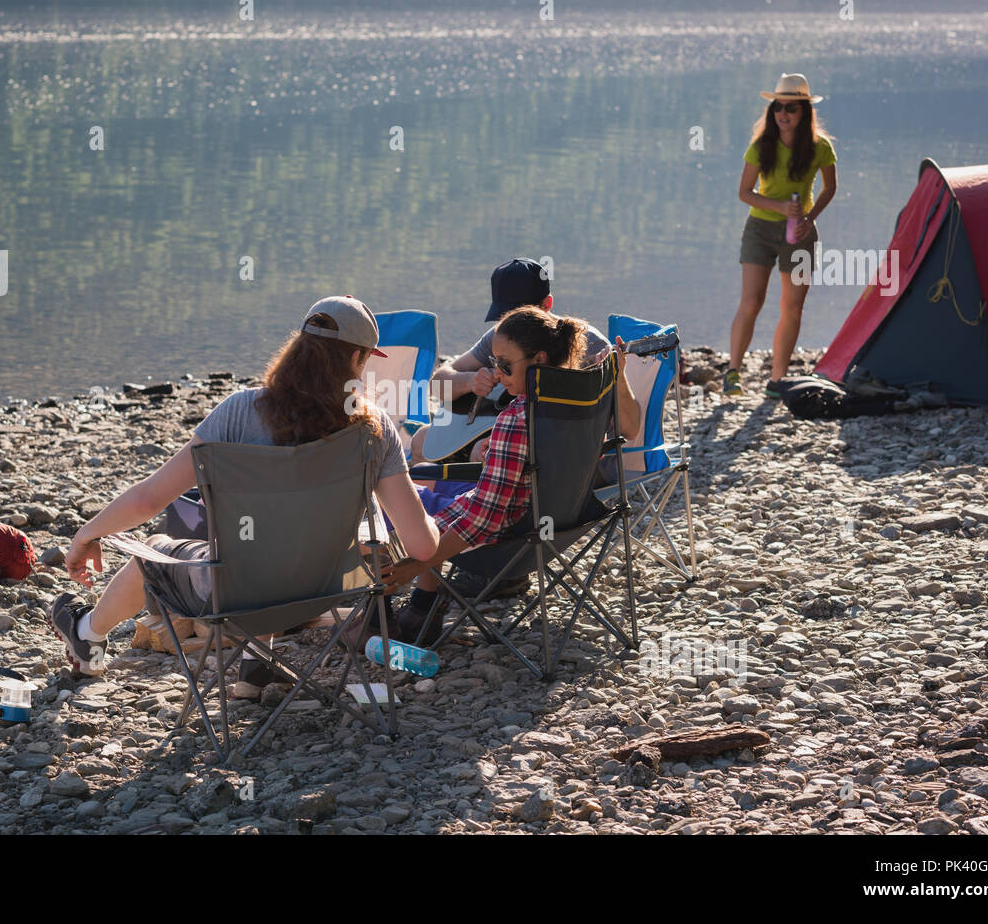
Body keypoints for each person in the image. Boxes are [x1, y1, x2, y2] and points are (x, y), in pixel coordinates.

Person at [51, 296, 440, 678]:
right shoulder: (374, 429)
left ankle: (87, 635)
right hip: (327, 594)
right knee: (281, 545)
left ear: (298, 348)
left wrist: (88, 533)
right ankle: (256, 667)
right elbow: (422, 546)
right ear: (358, 358)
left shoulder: (239, 412)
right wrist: (436, 523)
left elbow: (150, 497)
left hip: (233, 599)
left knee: (157, 550)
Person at [381, 305, 624, 645]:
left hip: (507, 542)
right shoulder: (575, 404)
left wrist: (416, 563)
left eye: (505, 364)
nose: (497, 372)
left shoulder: (517, 416)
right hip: (559, 525)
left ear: (538, 360)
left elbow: (486, 516)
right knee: (422, 476)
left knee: (400, 498)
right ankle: (418, 607)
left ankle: (405, 610)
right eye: (493, 362)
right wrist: (496, 451)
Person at [411, 257, 639, 463]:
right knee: (421, 440)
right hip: (506, 435)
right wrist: (470, 382)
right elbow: (437, 384)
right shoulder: (502, 334)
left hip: (564, 461)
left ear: (547, 305)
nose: (511, 323)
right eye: (504, 316)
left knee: (478, 454)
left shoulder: (590, 347)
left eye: (518, 315)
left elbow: (630, 430)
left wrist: (616, 376)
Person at [727, 73, 837, 398]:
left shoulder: (821, 148)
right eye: (778, 107)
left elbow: (830, 188)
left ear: (804, 112)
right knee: (752, 302)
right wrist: (778, 206)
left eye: (790, 108)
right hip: (759, 229)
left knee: (792, 308)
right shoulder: (761, 146)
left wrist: (809, 217)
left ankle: (777, 381)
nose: (783, 114)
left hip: (800, 233)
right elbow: (745, 193)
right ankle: (733, 372)